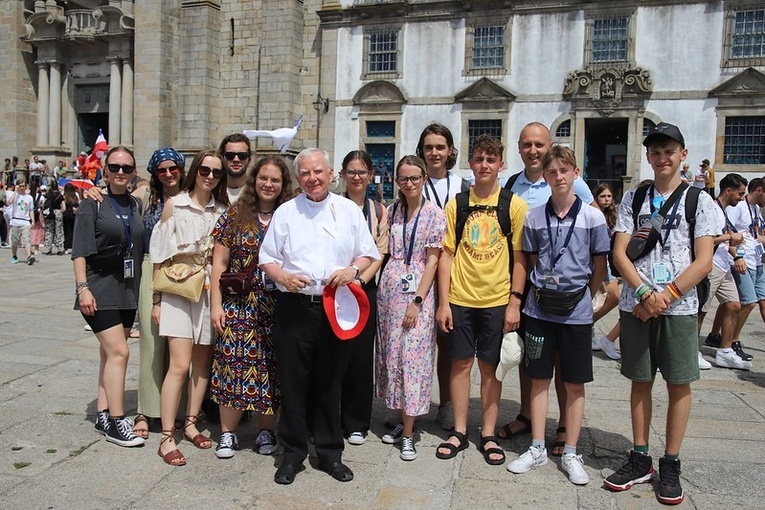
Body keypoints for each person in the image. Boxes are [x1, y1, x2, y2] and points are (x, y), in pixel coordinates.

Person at [607, 122, 714, 505]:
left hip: (678, 307)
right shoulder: (635, 198)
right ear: (648, 156)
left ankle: (671, 461)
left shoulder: (698, 201)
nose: (662, 157)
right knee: (639, 379)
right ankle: (640, 456)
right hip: (638, 303)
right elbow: (619, 252)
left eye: (669, 151)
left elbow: (703, 261)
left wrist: (663, 295)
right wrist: (643, 292)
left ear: (682, 155)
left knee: (678, 382)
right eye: (655, 151)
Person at [260, 148, 379, 485]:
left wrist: (352, 269)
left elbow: (368, 254)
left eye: (318, 172)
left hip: (334, 307)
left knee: (330, 383)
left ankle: (329, 453)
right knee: (293, 384)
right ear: (298, 178)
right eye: (305, 174)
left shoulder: (347, 211)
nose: (312, 179)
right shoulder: (286, 212)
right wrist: (282, 277)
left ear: (331, 174)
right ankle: (293, 454)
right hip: (295, 307)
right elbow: (267, 258)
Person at [506, 145, 608, 485]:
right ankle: (536, 446)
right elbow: (530, 260)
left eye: (564, 170)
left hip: (576, 313)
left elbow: (599, 265)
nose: (558, 176)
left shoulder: (592, 218)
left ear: (575, 174)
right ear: (546, 177)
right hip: (539, 311)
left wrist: (585, 298)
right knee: (538, 378)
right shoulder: (535, 217)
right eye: (552, 172)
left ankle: (571, 451)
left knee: (575, 382)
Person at [497, 122, 593, 451]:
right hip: (528, 289)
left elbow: (590, 244)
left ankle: (565, 425)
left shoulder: (575, 187)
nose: (533, 150)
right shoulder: (512, 185)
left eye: (539, 144)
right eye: (527, 145)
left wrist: (587, 294)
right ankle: (527, 415)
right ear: (520, 148)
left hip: (567, 295)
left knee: (564, 362)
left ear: (549, 145)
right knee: (531, 357)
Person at [435, 135, 528, 465]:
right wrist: (443, 302)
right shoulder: (457, 204)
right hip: (460, 297)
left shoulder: (513, 205)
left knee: (491, 368)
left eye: (491, 159)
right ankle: (459, 430)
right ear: (470, 164)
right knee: (460, 365)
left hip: (496, 299)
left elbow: (520, 258)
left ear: (501, 165)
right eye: (479, 159)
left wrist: (514, 302)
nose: (484, 165)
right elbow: (446, 255)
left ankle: (487, 433)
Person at [209, 155, 294, 459]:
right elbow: (218, 263)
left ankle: (266, 430)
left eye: (275, 180)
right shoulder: (235, 215)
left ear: (283, 184)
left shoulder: (290, 216)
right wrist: (216, 305)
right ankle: (229, 434)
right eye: (263, 178)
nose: (268, 184)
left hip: (275, 307)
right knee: (232, 366)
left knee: (270, 369)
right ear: (254, 180)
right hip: (237, 305)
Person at [151, 149, 228, 466]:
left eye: (216, 173)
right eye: (205, 170)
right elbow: (159, 253)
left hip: (209, 290)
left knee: (202, 362)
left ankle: (192, 421)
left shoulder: (222, 209)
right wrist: (156, 300)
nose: (210, 176)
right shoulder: (175, 204)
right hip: (179, 288)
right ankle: (167, 435)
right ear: (195, 171)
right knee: (179, 364)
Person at [72, 146, 146, 447]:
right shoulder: (92, 203)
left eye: (126, 168)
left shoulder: (134, 203)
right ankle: (117, 421)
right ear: (105, 170)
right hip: (98, 288)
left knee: (108, 353)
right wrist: (82, 288)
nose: (120, 172)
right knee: (119, 353)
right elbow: (80, 250)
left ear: (133, 172)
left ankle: (102, 412)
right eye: (114, 166)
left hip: (127, 289)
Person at [376, 155, 445, 461]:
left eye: (415, 178)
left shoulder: (434, 214)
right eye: (403, 178)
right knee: (393, 356)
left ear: (424, 179)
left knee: (414, 358)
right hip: (390, 291)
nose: (409, 183)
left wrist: (418, 300)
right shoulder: (392, 211)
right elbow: (382, 249)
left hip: (418, 290)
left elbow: (433, 260)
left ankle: (408, 432)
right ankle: (401, 419)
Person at [414, 123, 471, 430]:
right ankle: (411, 404)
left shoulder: (463, 186)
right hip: (421, 271)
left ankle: (446, 404)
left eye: (440, 147)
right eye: (428, 147)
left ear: (450, 151)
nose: (434, 153)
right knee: (415, 344)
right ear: (421, 151)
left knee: (448, 344)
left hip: (453, 272)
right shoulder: (414, 184)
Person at [339, 150, 389, 446]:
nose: (357, 178)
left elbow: (380, 252)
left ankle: (356, 421)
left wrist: (358, 281)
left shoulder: (378, 210)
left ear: (370, 176)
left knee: (360, 355)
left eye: (362, 172)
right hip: (334, 286)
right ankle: (331, 414)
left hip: (363, 288)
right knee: (334, 354)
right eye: (351, 172)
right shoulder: (332, 206)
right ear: (343, 174)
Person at [697, 173, 748, 370]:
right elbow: (707, 238)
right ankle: (693, 351)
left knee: (734, 305)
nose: (741, 198)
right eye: (740, 194)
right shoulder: (712, 210)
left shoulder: (723, 210)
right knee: (701, 310)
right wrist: (729, 236)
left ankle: (725, 351)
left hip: (724, 264)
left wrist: (735, 253)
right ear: (728, 191)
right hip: (712, 265)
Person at [720, 177, 765, 364]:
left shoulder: (756, 210)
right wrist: (737, 256)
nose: (740, 196)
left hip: (755, 260)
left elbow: (754, 234)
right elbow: (729, 233)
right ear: (760, 190)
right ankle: (732, 341)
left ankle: (718, 336)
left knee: (735, 302)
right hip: (740, 260)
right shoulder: (738, 207)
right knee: (747, 302)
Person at [590, 183, 621, 360]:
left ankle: (588, 323)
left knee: (614, 297)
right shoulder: (592, 214)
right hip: (598, 261)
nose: (607, 200)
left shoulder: (612, 215)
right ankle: (587, 325)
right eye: (603, 196)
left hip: (608, 260)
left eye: (609, 196)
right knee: (610, 296)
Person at [218, 133, 252, 204]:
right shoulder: (213, 191)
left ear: (249, 160)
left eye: (242, 156)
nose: (236, 160)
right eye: (230, 155)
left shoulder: (257, 192)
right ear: (222, 158)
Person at [7, 180, 35, 265]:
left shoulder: (29, 198)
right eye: (20, 186)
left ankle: (29, 256)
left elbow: (31, 210)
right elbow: (9, 202)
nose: (22, 188)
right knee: (15, 241)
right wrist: (15, 191)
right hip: (16, 221)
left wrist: (32, 220)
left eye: (24, 186)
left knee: (27, 240)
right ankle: (14, 255)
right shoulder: (15, 196)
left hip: (25, 221)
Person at [42, 181, 65, 255]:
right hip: (58, 212)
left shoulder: (48, 195)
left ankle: (49, 249)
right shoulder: (60, 195)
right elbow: (64, 208)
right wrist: (60, 211)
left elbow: (43, 205)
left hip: (49, 212)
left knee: (49, 230)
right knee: (59, 230)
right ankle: (59, 248)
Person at [62, 183, 79, 254]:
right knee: (74, 231)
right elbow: (78, 204)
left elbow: (64, 208)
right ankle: (73, 246)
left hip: (66, 215)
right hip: (74, 215)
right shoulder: (75, 196)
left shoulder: (64, 196)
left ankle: (66, 247)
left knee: (66, 231)